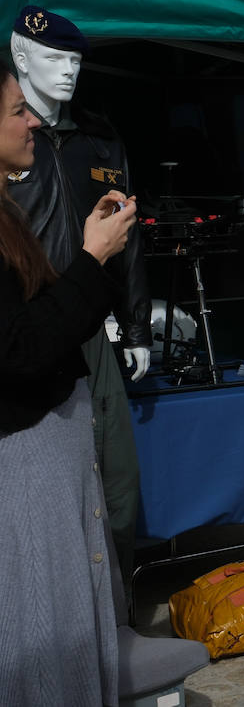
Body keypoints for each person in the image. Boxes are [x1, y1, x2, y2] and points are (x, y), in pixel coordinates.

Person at [0, 61, 140, 706]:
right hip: (23, 459)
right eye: (14, 111)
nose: (31, 118)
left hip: (46, 453)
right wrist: (91, 258)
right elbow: (23, 349)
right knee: (40, 620)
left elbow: (52, 315)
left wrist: (95, 253)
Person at [8, 5, 151, 593]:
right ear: (20, 59)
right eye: (52, 57)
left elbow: (129, 234)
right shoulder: (10, 145)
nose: (67, 70)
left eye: (74, 59)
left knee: (118, 488)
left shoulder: (98, 136)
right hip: (29, 330)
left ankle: (114, 621)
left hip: (93, 327)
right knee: (47, 491)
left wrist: (136, 325)